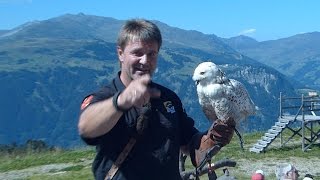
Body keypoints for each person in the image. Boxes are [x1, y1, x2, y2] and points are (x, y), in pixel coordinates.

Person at [78, 18, 235, 180]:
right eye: (137, 53)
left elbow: (189, 143)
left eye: (151, 54)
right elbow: (86, 128)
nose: (145, 60)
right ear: (120, 54)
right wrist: (121, 102)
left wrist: (210, 139)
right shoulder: (106, 96)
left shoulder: (168, 98)